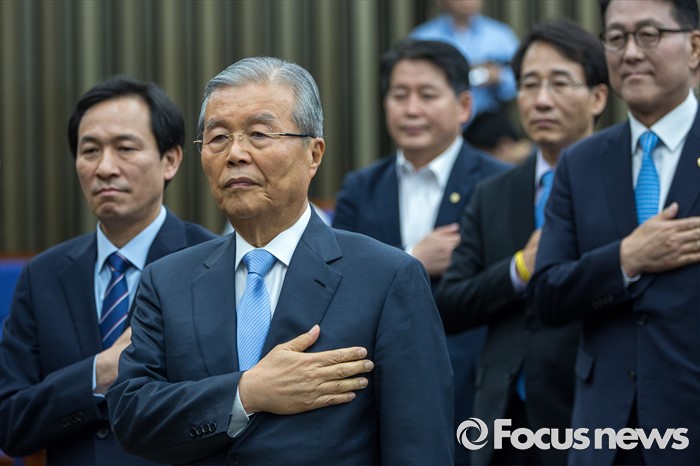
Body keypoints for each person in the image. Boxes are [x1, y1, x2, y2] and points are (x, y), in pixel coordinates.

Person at [106, 57, 454, 465]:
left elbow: (419, 446)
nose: (235, 154)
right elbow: (131, 414)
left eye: (258, 134)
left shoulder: (386, 278)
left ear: (314, 153)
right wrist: (246, 393)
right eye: (218, 138)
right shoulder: (167, 281)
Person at [0, 76, 217, 465]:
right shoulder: (43, 276)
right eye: (90, 151)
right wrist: (97, 373)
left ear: (170, 160)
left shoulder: (211, 261)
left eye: (125, 148)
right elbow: (10, 422)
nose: (104, 168)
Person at [527, 1, 700, 464]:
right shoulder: (580, 163)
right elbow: (546, 295)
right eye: (617, 38)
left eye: (649, 35)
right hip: (605, 432)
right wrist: (625, 259)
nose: (631, 52)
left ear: (694, 47)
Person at [437, 19, 608, 465]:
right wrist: (519, 269)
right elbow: (451, 303)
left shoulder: (619, 185)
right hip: (502, 418)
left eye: (559, 83)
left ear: (598, 97)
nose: (541, 99)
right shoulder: (494, 192)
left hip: (591, 411)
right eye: (529, 84)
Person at [332, 38, 507, 465]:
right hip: (376, 390)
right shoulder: (360, 187)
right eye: (399, 95)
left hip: (472, 387)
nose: (411, 109)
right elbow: (338, 286)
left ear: (464, 106)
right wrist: (412, 258)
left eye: (427, 95)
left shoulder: (500, 184)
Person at [411, 0, 519, 121]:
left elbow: (519, 81)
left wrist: (498, 77)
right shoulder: (423, 37)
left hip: (487, 118)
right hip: (437, 117)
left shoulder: (501, 36)